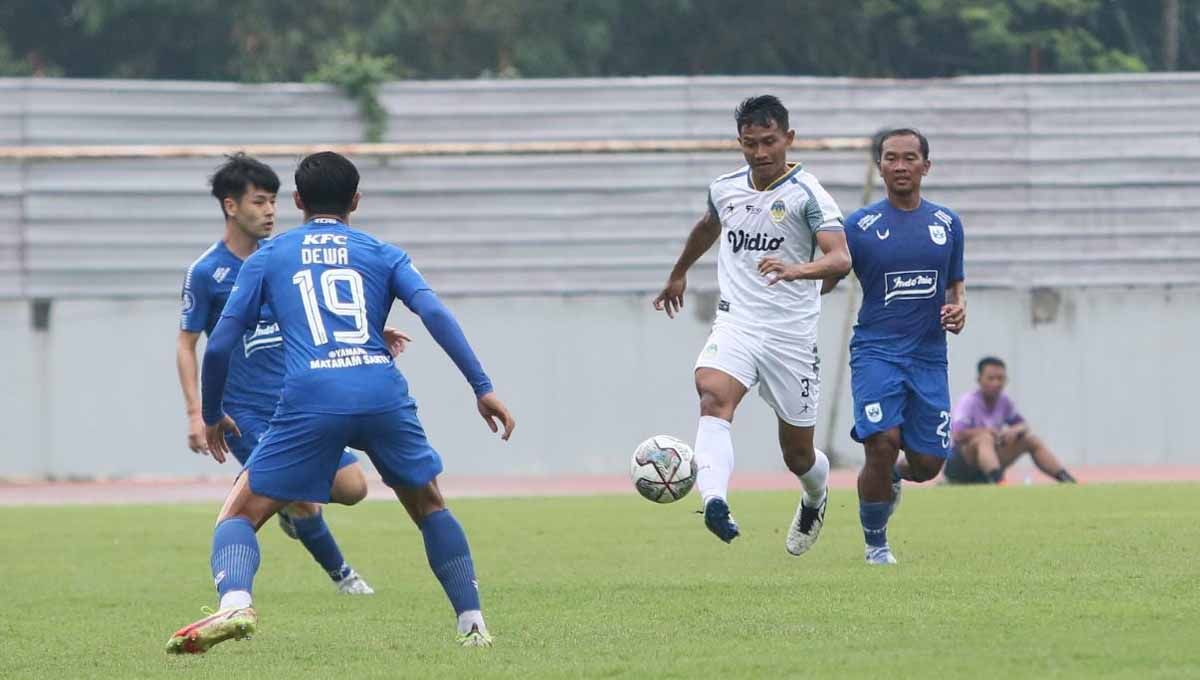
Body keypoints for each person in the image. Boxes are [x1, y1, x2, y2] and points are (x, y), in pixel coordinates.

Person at [166, 152, 515, 654]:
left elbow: (218, 343)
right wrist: (482, 387)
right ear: (356, 200)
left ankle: (237, 599)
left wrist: (213, 410)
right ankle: (472, 622)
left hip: (312, 397)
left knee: (238, 517)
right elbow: (433, 311)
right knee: (429, 505)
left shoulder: (270, 255)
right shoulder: (382, 252)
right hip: (380, 391)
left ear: (298, 201)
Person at [653, 95, 851, 554]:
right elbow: (709, 225)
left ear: (789, 139)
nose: (760, 153)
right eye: (750, 144)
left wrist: (795, 270)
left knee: (797, 456)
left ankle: (815, 496)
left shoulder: (808, 195)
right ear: (739, 143)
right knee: (712, 396)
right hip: (737, 324)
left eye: (769, 142)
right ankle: (715, 500)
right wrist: (679, 272)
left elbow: (841, 259)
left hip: (791, 336)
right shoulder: (725, 188)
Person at [176, 153, 379, 594]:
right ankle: (344, 577)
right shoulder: (207, 272)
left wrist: (371, 328)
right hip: (241, 413)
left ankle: (288, 510)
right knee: (300, 496)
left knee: (353, 487)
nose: (270, 211)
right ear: (231, 207)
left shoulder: (284, 256)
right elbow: (187, 344)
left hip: (297, 403)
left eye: (273, 202)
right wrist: (197, 412)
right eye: (259, 201)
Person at [835, 128, 966, 565]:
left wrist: (959, 308)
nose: (900, 166)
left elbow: (955, 284)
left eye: (910, 158)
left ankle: (888, 475)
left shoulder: (946, 223)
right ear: (880, 166)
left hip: (929, 356)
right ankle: (876, 544)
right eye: (891, 158)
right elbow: (831, 275)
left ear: (926, 166)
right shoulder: (860, 227)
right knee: (882, 440)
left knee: (928, 465)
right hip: (877, 351)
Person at [945, 356, 1077, 484]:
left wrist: (1015, 430)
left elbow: (1023, 424)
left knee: (1031, 440)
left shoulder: (1004, 401)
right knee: (984, 439)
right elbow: (957, 434)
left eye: (1000, 379)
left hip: (988, 461)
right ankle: (999, 482)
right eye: (991, 378)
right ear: (979, 380)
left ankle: (1066, 480)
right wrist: (987, 432)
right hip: (962, 465)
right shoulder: (968, 402)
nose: (996, 383)